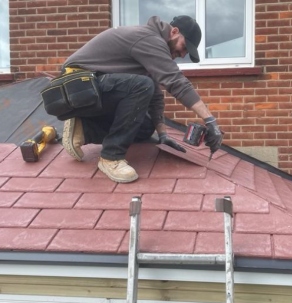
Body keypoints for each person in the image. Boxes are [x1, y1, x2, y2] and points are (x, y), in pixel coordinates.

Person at [59, 15, 223, 183]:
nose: (182, 54)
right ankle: (111, 157)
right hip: (74, 86)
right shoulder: (149, 39)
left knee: (145, 126)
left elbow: (156, 96)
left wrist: (162, 134)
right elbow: (176, 82)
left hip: (90, 89)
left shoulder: (149, 48)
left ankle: (83, 130)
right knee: (142, 85)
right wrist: (210, 120)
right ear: (174, 32)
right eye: (184, 47)